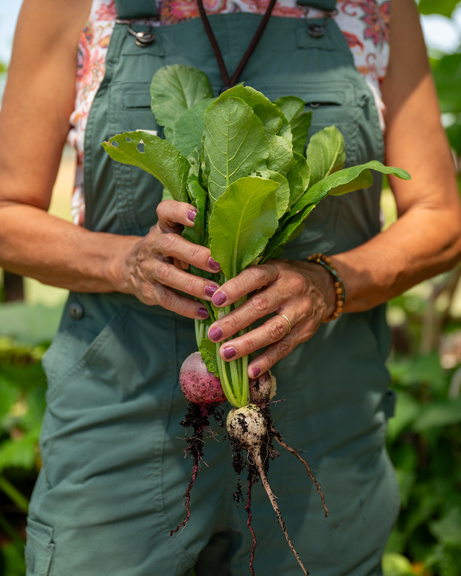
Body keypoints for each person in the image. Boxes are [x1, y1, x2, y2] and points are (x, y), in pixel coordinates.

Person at [1, 0, 460, 574]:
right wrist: (126, 262)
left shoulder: (375, 7)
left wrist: (327, 283)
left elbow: (440, 215)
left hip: (325, 433)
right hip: (122, 426)